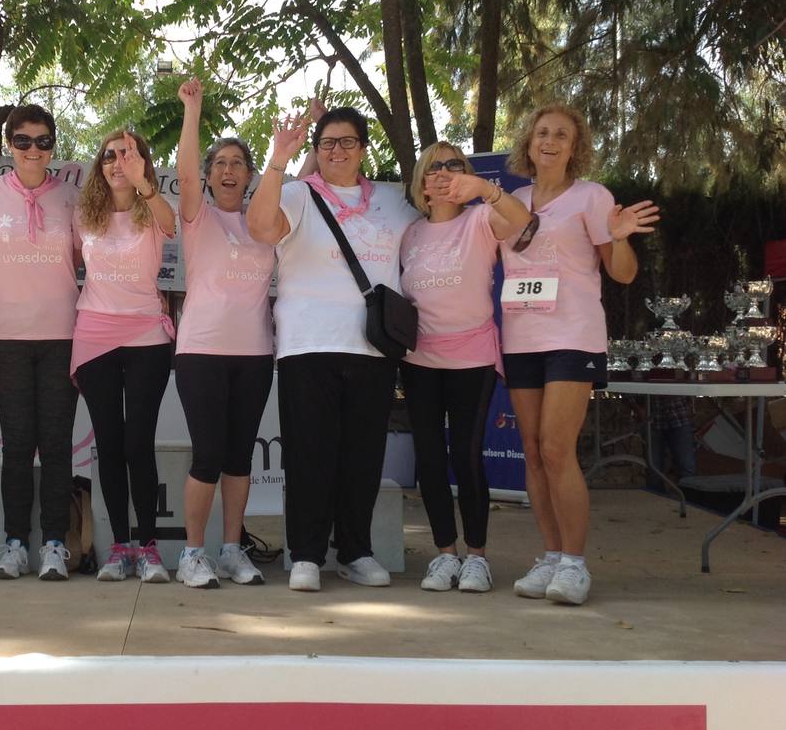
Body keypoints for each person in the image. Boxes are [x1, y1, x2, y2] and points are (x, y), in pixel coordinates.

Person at [247, 106, 419, 592]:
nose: (337, 150)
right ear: (317, 150)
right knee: (309, 453)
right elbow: (260, 228)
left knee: (362, 456)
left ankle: (355, 551)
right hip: (307, 343)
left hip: (373, 346)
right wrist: (278, 160)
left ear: (363, 148)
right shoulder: (298, 194)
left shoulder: (393, 200)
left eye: (347, 142)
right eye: (327, 143)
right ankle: (305, 553)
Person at [502, 104, 659, 605]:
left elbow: (623, 274)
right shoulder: (513, 201)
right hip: (520, 337)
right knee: (532, 451)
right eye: (542, 133)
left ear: (575, 147)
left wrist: (619, 239)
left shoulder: (593, 197)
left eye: (561, 135)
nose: (549, 141)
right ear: (528, 143)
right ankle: (550, 556)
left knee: (555, 448)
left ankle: (574, 564)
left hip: (572, 335)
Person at [399, 142, 530, 594]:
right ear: (422, 183)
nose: (444, 172)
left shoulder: (481, 220)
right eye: (434, 167)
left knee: (466, 457)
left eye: (454, 165)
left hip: (472, 356)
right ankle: (445, 554)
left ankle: (477, 557)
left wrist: (485, 191)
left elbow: (522, 221)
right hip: (418, 359)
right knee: (429, 458)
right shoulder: (410, 234)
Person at [0, 105, 81, 581]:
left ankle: (54, 544)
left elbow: (91, 253)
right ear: (8, 144)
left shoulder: (72, 197)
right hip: (4, 337)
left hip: (62, 336)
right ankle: (14, 544)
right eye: (23, 141)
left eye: (43, 141)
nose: (34, 150)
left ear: (53, 145)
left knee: (56, 445)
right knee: (16, 445)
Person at [172, 78, 275, 589]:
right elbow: (184, 172)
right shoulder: (197, 216)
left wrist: (303, 130)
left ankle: (232, 550)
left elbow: (298, 178)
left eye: (238, 163)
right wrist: (192, 111)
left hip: (254, 354)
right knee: (208, 455)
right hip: (201, 352)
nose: (228, 170)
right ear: (210, 176)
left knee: (238, 458)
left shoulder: (268, 223)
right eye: (220, 164)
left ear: (250, 175)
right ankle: (193, 553)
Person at [71, 130, 177, 583]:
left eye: (128, 155)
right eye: (109, 156)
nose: (117, 163)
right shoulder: (84, 215)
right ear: (99, 166)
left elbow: (172, 224)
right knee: (109, 445)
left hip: (146, 334)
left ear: (143, 163)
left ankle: (148, 548)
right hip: (94, 334)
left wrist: (143, 184)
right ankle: (118, 548)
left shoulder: (152, 208)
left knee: (138, 444)